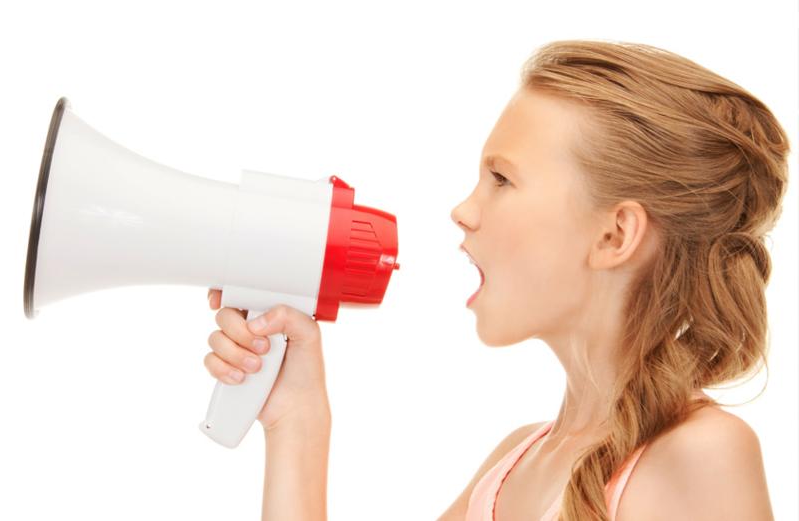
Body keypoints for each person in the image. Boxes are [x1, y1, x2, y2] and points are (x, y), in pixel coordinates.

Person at [202, 39, 790, 520]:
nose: (464, 209)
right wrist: (298, 421)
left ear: (615, 235)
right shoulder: (514, 462)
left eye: (502, 180)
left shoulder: (704, 456)